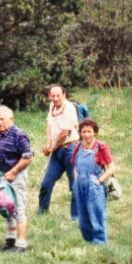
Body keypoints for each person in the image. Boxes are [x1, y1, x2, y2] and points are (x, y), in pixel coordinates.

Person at [0, 106, 33, 252]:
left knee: (18, 209)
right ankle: (10, 239)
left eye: (2, 119)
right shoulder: (0, 134)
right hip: (2, 175)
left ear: (11, 118)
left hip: (16, 176)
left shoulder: (19, 134)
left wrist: (14, 171)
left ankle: (21, 244)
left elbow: (28, 157)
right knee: (5, 208)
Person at [70, 119, 115, 245]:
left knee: (96, 213)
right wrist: (76, 179)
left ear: (95, 132)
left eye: (89, 131)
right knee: (83, 215)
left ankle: (100, 241)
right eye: (83, 132)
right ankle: (89, 241)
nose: (86, 135)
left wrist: (99, 181)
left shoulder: (101, 147)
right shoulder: (78, 146)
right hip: (79, 184)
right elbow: (74, 166)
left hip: (94, 183)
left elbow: (112, 167)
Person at [38, 84, 81, 217]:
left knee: (74, 185)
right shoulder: (52, 106)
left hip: (71, 150)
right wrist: (48, 144)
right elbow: (50, 126)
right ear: (49, 96)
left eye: (58, 95)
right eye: (53, 96)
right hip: (57, 151)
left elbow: (64, 133)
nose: (55, 98)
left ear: (64, 95)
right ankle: (42, 214)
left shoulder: (69, 108)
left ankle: (76, 217)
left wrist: (52, 148)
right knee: (46, 183)